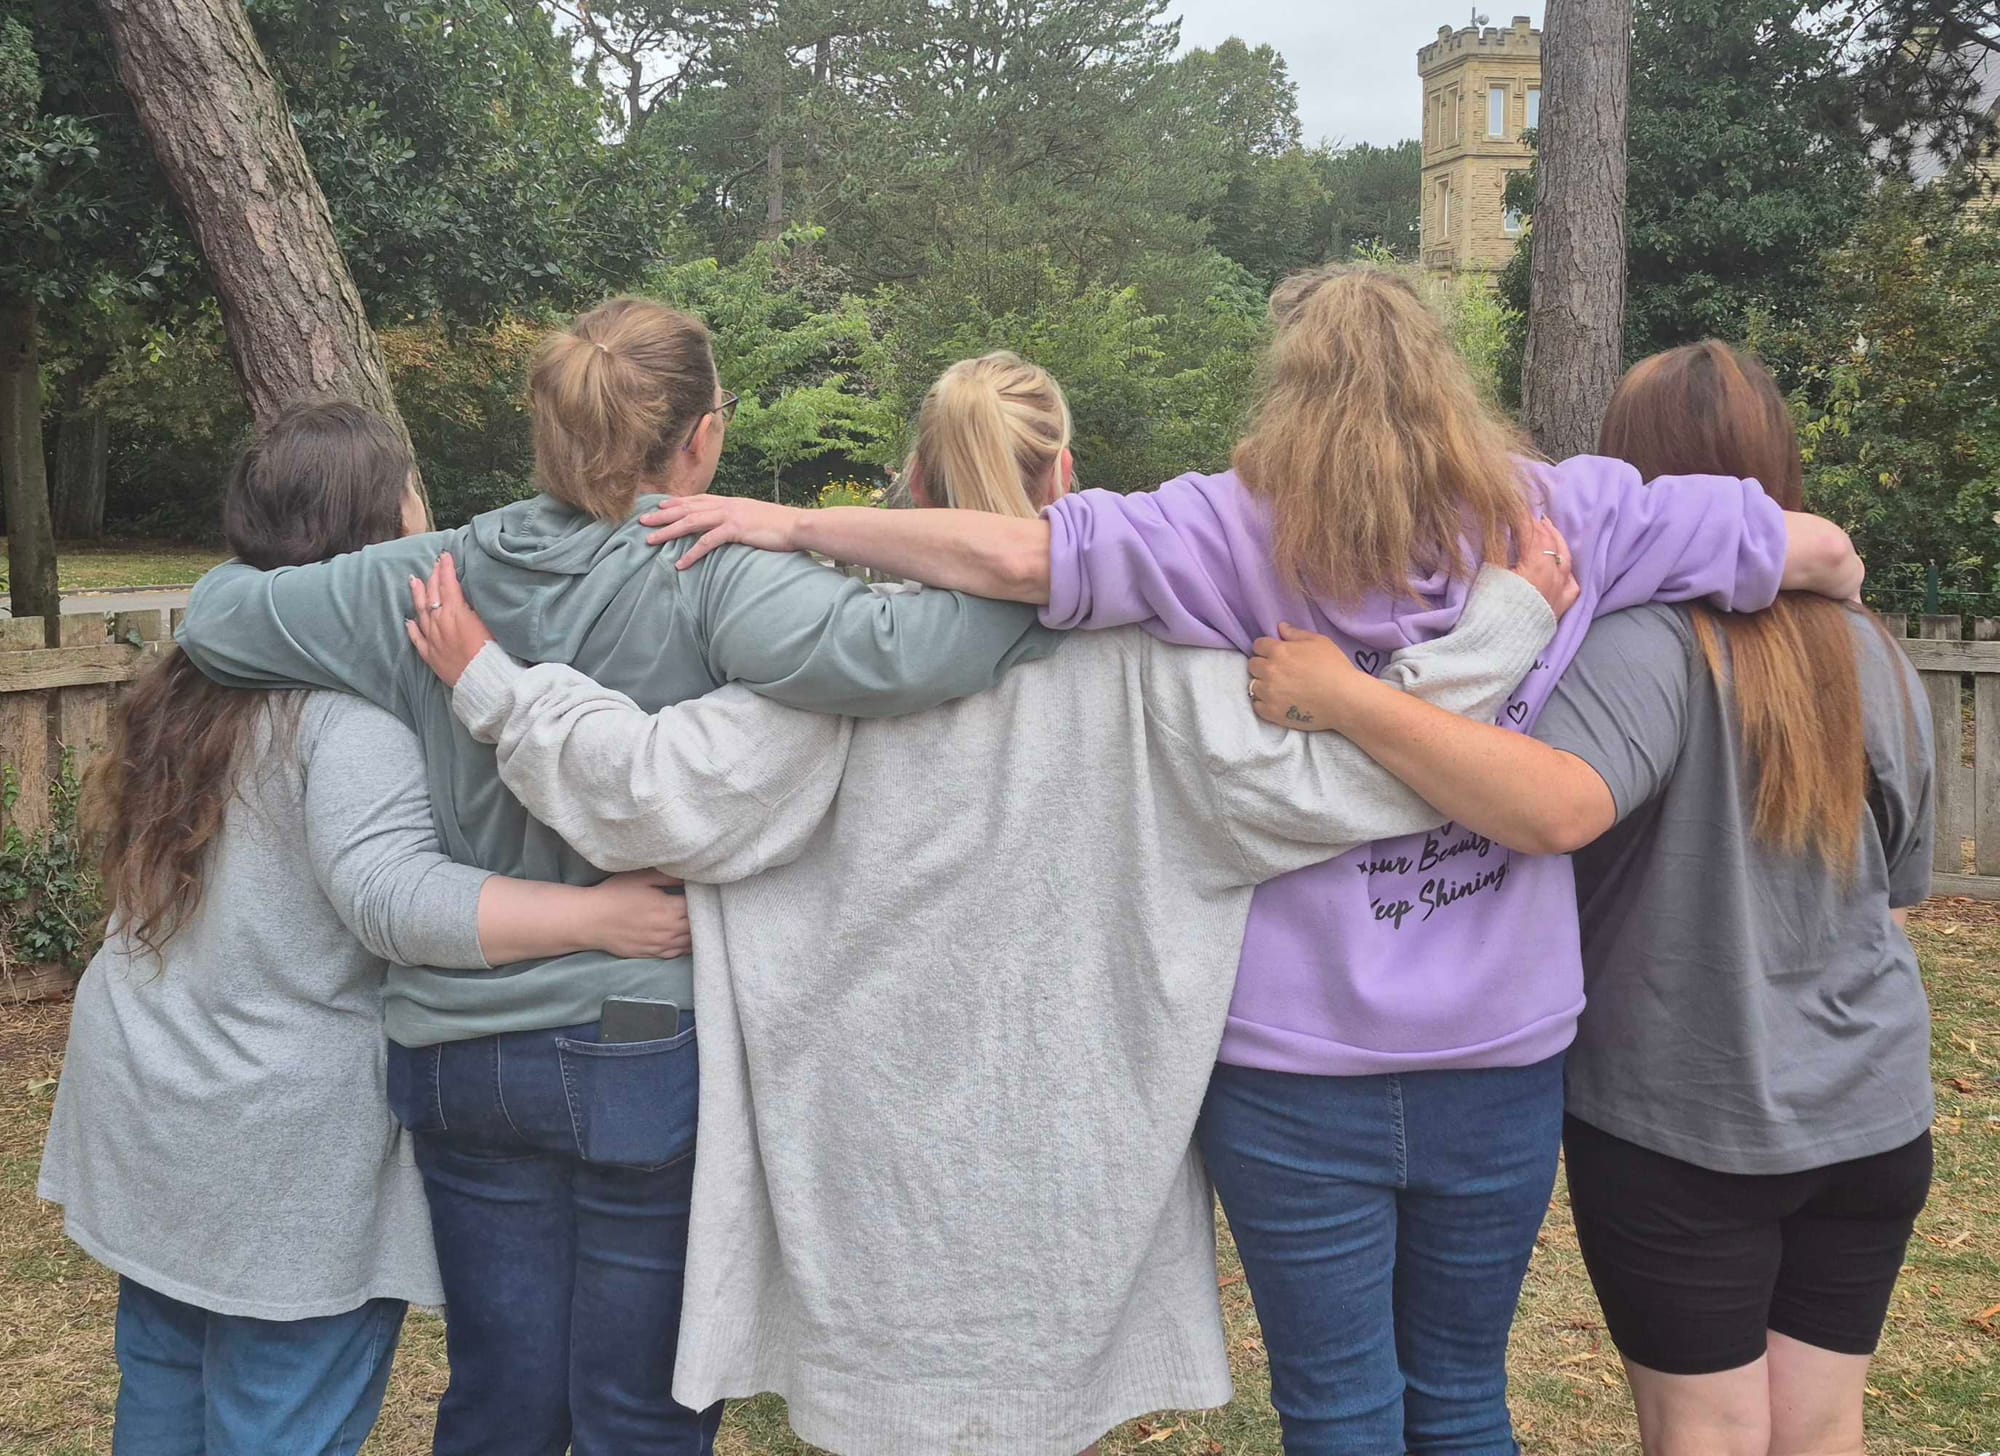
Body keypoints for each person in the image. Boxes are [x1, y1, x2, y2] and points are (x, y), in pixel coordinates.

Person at [637, 268, 1869, 1455]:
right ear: (1447, 384)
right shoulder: (1566, 516)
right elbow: (1815, 549)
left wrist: (789, 521)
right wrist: (1832, 594)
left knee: (1336, 1412)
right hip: (1499, 1043)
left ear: (1285, 392)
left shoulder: (1222, 527)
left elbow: (1014, 557)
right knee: (1459, 1396)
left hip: (1289, 1054)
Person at [401, 349, 1577, 1456]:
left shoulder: (849, 660)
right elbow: (1359, 772)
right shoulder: (1157, 669)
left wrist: (496, 686)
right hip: (1072, 1165)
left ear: (912, 489)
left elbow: (659, 794)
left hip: (862, 1168)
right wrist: (1501, 629)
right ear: (1066, 479)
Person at [168, 303, 1058, 1455]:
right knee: (641, 1414)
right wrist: (1063, 590)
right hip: (637, 1041)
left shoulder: (431, 577)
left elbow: (217, 617)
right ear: (702, 436)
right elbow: (929, 644)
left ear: (544, 430)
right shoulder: (714, 571)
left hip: (458, 1053)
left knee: (500, 1404)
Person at [1242, 341, 1934, 1456]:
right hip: (1872, 1109)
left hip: (1687, 1117)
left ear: (1635, 471)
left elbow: (1546, 804)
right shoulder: (1874, 650)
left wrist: (1350, 698)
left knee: (1704, 1429)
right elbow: (1895, 898)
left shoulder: (1638, 644)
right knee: (1819, 1428)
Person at [36, 402, 692, 1456]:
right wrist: (597, 915)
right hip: (266, 1133)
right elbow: (391, 896)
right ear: (383, 526)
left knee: (163, 1374)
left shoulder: (191, 678)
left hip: (150, 1092)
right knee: (280, 1403)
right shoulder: (347, 710)